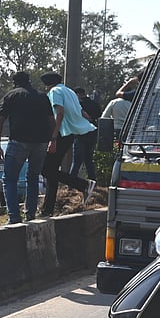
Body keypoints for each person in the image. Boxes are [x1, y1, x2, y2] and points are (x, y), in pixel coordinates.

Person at [0, 71, 57, 224]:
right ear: (29, 81)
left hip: (18, 142)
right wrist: (53, 140)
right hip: (41, 142)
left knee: (9, 179)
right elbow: (52, 121)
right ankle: (30, 214)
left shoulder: (11, 96)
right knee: (33, 177)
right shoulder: (42, 96)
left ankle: (14, 216)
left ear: (15, 82)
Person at [40, 72, 97, 217]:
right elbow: (82, 112)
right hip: (70, 133)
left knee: (46, 169)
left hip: (60, 133)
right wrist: (87, 121)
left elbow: (59, 112)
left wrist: (53, 138)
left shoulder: (54, 92)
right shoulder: (70, 92)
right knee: (52, 172)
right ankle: (47, 210)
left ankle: (83, 184)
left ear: (47, 84)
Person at [70, 87, 101, 180]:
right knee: (89, 159)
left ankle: (72, 181)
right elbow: (99, 116)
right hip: (92, 133)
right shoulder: (95, 104)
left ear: (78, 94)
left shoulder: (77, 104)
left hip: (80, 133)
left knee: (77, 161)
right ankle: (92, 180)